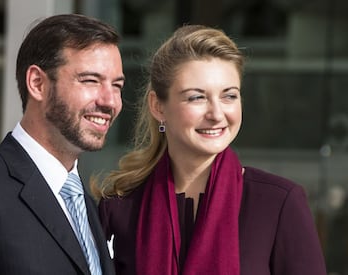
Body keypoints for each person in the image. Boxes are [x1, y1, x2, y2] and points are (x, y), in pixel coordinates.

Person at [93, 25, 327, 275]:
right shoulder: (119, 208)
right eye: (197, 97)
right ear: (158, 106)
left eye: (229, 96)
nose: (216, 114)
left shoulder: (279, 203)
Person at [0, 13, 124, 275]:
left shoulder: (85, 202)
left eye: (117, 85)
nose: (110, 101)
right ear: (37, 83)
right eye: (90, 80)